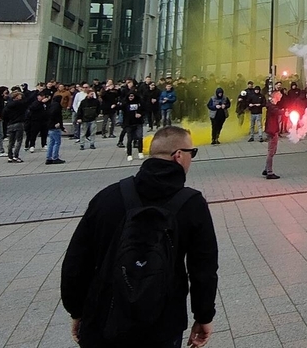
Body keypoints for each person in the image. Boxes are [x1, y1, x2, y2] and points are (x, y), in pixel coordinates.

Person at [60, 125, 218, 348]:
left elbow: (76, 260)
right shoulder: (192, 204)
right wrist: (203, 317)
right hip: (161, 325)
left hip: (104, 319)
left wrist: (77, 310)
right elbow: (204, 269)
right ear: (179, 156)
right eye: (193, 153)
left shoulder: (108, 196)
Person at [120, 91, 148, 161]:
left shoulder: (139, 102)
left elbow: (144, 110)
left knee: (139, 137)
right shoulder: (125, 103)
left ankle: (140, 152)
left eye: (132, 96)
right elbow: (120, 107)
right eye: (129, 96)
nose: (131, 98)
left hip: (138, 123)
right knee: (129, 139)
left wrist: (140, 114)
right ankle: (129, 154)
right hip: (129, 124)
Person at [262, 90, 282, 180]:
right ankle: (269, 172)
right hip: (272, 131)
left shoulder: (271, 105)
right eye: (279, 95)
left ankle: (266, 169)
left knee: (272, 151)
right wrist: (285, 112)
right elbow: (276, 111)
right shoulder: (272, 106)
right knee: (271, 152)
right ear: (275, 96)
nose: (281, 96)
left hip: (271, 130)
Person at [46, 93, 66, 165]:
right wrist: (59, 125)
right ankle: (55, 157)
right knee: (57, 142)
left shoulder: (51, 105)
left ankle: (49, 157)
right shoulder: (57, 106)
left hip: (50, 126)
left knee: (51, 142)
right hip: (55, 126)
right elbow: (57, 116)